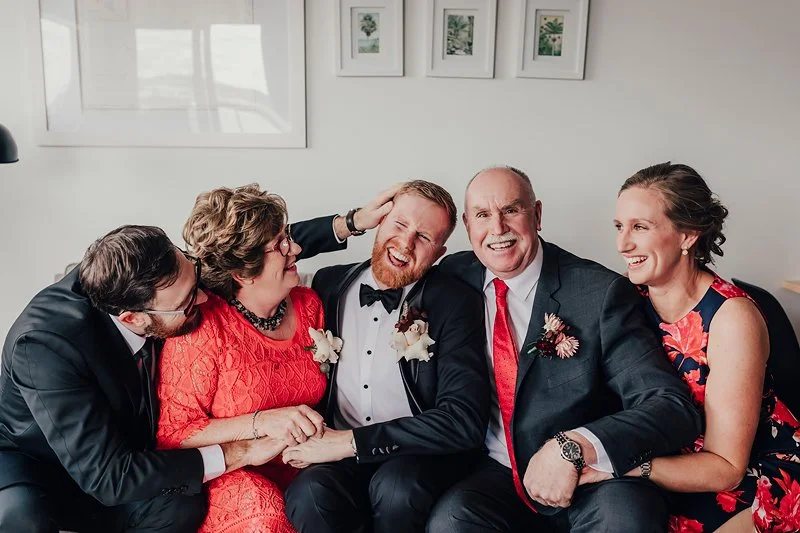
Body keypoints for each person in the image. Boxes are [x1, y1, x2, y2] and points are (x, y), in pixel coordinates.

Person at [426, 166, 702, 533]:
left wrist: (576, 445)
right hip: (499, 472)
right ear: (466, 224)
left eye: (511, 210)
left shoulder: (599, 293)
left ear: (537, 214)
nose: (497, 228)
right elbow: (391, 267)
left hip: (594, 476)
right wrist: (352, 225)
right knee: (449, 523)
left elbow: (669, 405)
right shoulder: (455, 275)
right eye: (482, 215)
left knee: (624, 521)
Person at [0, 225, 297, 533]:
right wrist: (240, 451)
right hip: (39, 468)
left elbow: (242, 249)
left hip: (123, 450)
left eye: (194, 275)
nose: (203, 298)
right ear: (133, 318)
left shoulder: (150, 266)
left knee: (181, 504)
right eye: (186, 304)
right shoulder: (44, 347)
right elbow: (108, 478)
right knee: (23, 518)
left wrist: (324, 231)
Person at [155, 183, 396, 533]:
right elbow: (175, 432)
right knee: (270, 517)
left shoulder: (309, 305)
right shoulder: (204, 328)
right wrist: (262, 423)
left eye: (288, 237)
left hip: (307, 463)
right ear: (243, 272)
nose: (295, 248)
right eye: (281, 244)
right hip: (236, 470)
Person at [281, 180, 491, 533]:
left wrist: (349, 443)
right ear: (379, 221)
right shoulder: (328, 284)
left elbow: (463, 419)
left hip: (414, 455)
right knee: (309, 493)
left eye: (423, 237)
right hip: (337, 454)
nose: (406, 243)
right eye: (399, 224)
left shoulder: (455, 302)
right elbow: (261, 250)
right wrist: (349, 222)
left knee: (397, 488)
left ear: (439, 253)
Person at [612, 162, 800, 533]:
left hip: (752, 477)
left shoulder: (733, 318)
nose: (623, 244)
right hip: (669, 473)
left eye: (640, 227)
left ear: (687, 235)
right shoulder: (624, 297)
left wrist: (620, 465)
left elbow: (727, 468)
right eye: (619, 226)